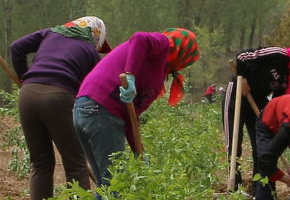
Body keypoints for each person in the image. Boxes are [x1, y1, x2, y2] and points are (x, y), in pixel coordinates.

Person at [72, 27, 200, 183]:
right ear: (183, 53)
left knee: (106, 185)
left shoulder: (157, 70)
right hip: (101, 110)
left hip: (87, 110)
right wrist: (130, 75)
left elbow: (131, 118)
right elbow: (140, 38)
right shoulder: (163, 45)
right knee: (114, 185)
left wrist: (139, 153)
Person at [8, 16, 109, 200]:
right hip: (59, 98)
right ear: (95, 35)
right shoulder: (90, 52)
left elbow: (16, 47)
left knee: (41, 164)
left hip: (27, 96)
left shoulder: (50, 33)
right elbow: (93, 89)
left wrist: (24, 79)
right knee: (75, 164)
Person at [225, 37, 290, 180]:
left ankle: (258, 184)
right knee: (234, 141)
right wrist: (243, 79)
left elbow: (279, 102)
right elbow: (242, 56)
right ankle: (234, 184)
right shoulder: (278, 55)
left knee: (261, 143)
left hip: (258, 99)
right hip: (237, 91)